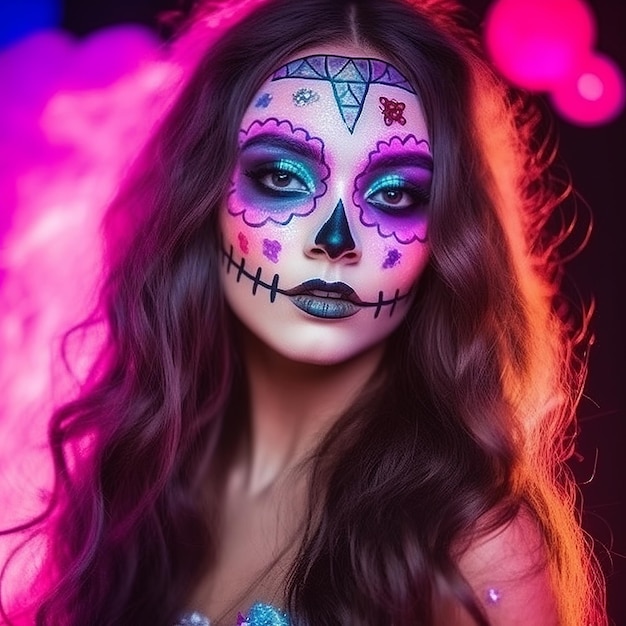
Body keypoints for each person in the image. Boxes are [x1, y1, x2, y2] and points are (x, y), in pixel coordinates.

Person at [0, 0, 607, 624]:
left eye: (394, 194)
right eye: (283, 178)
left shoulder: (474, 549)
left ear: (447, 238)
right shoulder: (131, 482)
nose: (335, 240)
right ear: (203, 196)